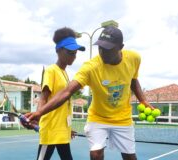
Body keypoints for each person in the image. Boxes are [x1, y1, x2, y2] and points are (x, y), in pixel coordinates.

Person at [26, 24, 154, 160]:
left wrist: (143, 100)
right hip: (95, 118)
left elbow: (133, 79)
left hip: (122, 119)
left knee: (130, 157)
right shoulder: (89, 67)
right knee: (95, 154)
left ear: (120, 47)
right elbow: (66, 92)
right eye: (100, 48)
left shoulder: (134, 58)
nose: (103, 52)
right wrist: (39, 112)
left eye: (108, 49)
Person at [34, 27, 85, 160]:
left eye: (75, 53)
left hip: (61, 131)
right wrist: (37, 116)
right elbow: (43, 97)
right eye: (70, 52)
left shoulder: (64, 73)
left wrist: (68, 129)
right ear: (59, 50)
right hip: (51, 130)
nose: (74, 56)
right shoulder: (51, 71)